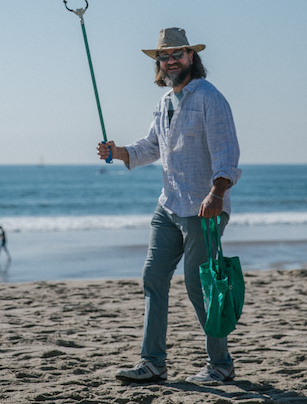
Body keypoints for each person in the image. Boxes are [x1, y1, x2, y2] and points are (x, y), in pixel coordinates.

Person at [97, 27, 241, 385]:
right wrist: (118, 152)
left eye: (178, 53)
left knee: (199, 285)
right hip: (169, 205)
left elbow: (227, 154)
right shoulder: (165, 103)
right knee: (153, 278)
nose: (171, 60)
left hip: (202, 209)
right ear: (159, 63)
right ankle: (152, 363)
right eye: (165, 56)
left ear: (192, 57)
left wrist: (217, 194)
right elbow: (151, 147)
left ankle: (220, 365)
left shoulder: (210, 97)